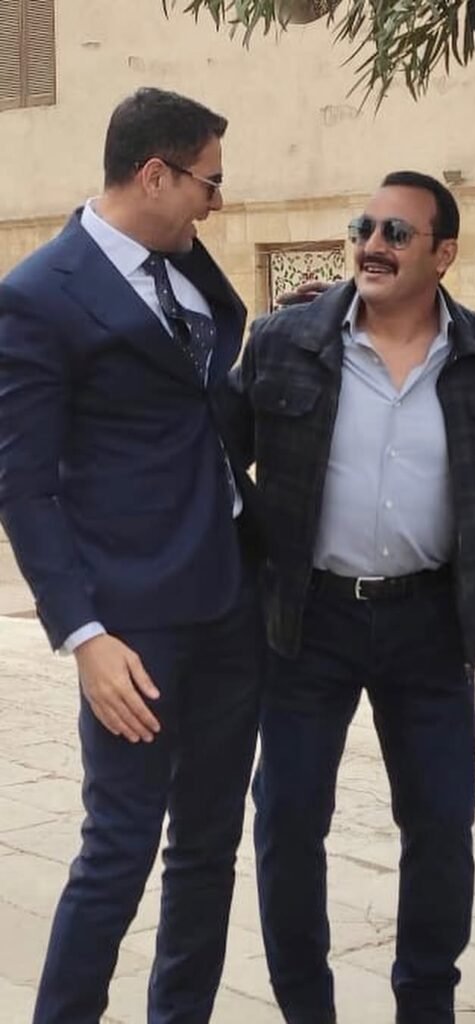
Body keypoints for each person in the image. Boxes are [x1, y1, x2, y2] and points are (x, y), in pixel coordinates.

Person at [232, 170, 475, 1024]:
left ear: (444, 253)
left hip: (431, 623)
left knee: (440, 825)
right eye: (363, 227)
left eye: (396, 233)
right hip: (307, 620)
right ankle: (306, 1008)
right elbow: (216, 458)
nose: (372, 244)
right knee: (288, 820)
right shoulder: (283, 341)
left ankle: (425, 1006)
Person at [0, 87, 263, 1024]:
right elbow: (24, 486)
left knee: (208, 847)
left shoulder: (189, 270)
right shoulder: (38, 295)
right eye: (208, 182)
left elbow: (202, 407)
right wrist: (84, 634)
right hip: (134, 626)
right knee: (118, 845)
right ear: (154, 174)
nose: (216, 203)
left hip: (230, 596)